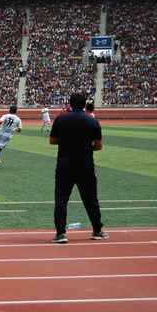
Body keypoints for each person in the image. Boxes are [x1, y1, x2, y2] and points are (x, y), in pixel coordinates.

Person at [49, 92, 108, 243]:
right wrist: (85, 148)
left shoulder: (61, 119)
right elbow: (99, 146)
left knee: (61, 199)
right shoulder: (92, 121)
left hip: (64, 164)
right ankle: (97, 230)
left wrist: (67, 145)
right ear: (84, 105)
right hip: (85, 165)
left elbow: (52, 141)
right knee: (90, 199)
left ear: (69, 103)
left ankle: (61, 233)